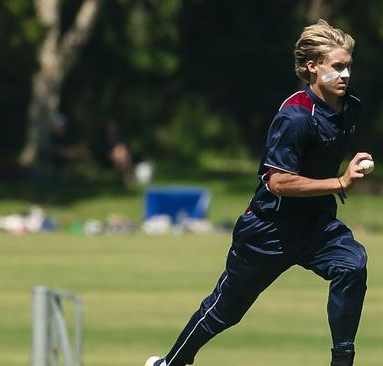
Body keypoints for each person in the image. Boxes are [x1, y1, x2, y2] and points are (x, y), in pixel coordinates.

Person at [145, 19, 370, 366]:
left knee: (352, 265)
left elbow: (329, 148)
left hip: (317, 226)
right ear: (312, 67)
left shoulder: (350, 104)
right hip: (268, 232)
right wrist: (338, 183)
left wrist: (352, 165)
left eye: (348, 67)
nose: (345, 75)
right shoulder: (295, 116)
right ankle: (171, 363)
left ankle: (343, 359)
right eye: (337, 67)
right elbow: (278, 182)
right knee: (224, 312)